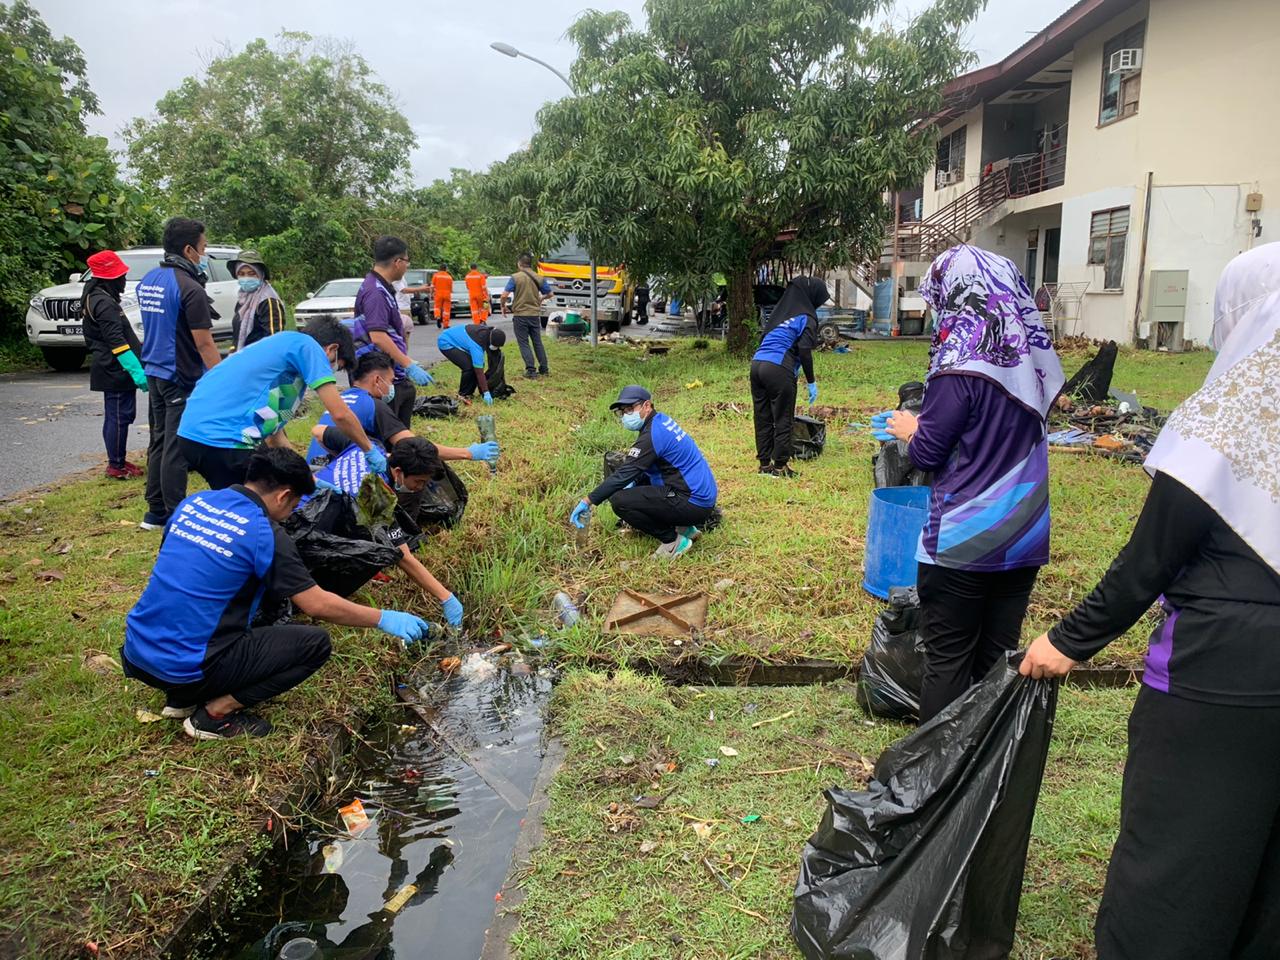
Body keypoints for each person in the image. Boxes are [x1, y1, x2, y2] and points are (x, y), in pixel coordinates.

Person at [1020, 243, 1280, 960]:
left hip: (1219, 674)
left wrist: (1066, 641)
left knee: (1177, 860)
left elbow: (1151, 557)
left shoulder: (1234, 420)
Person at [121, 447, 434, 741]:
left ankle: (181, 696)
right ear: (284, 495)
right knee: (314, 644)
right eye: (295, 503)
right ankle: (214, 715)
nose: (293, 512)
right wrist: (384, 618)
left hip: (137, 652)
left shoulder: (195, 503)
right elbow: (316, 605)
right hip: (187, 664)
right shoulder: (265, 532)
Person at [879, 244, 1063, 722]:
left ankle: (937, 778)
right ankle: (980, 772)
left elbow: (928, 453)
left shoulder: (958, 365)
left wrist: (910, 429)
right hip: (1024, 532)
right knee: (996, 656)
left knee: (948, 658)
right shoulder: (1034, 362)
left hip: (964, 537)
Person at [177, 319, 382, 490]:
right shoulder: (307, 346)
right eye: (336, 365)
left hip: (192, 436)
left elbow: (275, 438)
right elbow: (340, 414)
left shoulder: (281, 350)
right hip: (225, 441)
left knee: (238, 505)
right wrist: (369, 450)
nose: (329, 369)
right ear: (332, 349)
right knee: (265, 508)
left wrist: (306, 476)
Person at [311, 439, 465, 629]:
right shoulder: (375, 495)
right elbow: (402, 556)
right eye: (419, 482)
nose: (420, 488)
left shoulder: (369, 447)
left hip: (299, 505)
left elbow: (319, 432)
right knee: (378, 549)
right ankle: (324, 591)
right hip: (307, 532)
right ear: (399, 472)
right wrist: (445, 597)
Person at [136, 217, 223, 530]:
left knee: (158, 442)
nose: (204, 254)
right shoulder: (190, 288)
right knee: (176, 447)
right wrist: (224, 380)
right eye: (202, 248)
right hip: (178, 377)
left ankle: (155, 511)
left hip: (154, 372)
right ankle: (174, 516)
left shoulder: (149, 280)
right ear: (189, 250)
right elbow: (204, 343)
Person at [569, 385, 718, 558]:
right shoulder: (660, 422)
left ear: (647, 406)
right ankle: (685, 527)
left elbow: (623, 474)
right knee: (637, 485)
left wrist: (588, 500)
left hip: (693, 502)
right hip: (697, 496)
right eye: (622, 412)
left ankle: (673, 541)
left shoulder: (653, 435)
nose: (626, 416)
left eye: (630, 409)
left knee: (620, 500)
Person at [305, 350, 500, 468]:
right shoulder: (375, 405)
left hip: (315, 473)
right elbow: (413, 446)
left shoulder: (340, 400)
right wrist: (469, 453)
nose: (391, 387)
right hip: (341, 476)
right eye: (390, 381)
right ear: (377, 380)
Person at [352, 236, 434, 431]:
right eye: (406, 261)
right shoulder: (375, 292)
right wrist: (408, 365)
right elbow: (378, 336)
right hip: (378, 377)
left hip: (391, 371)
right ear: (397, 262)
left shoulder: (382, 287)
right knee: (390, 436)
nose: (407, 266)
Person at [81, 250, 148, 480]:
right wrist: (137, 371)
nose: (123, 281)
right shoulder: (104, 303)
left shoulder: (97, 295)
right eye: (120, 276)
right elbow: (117, 342)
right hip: (114, 369)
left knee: (120, 416)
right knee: (118, 418)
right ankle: (115, 465)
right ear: (109, 278)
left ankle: (118, 460)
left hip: (112, 368)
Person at [750, 277, 827, 477]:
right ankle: (780, 467)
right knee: (783, 418)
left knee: (763, 416)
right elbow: (804, 350)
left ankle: (764, 465)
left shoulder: (780, 315)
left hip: (757, 364)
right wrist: (811, 381)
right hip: (778, 368)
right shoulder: (806, 317)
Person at [501, 253, 552, 378]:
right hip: (534, 315)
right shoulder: (539, 277)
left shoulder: (515, 277)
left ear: (519, 264)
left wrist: (503, 306)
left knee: (524, 343)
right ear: (530, 264)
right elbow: (550, 294)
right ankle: (544, 368)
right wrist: (540, 298)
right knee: (537, 342)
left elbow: (504, 295)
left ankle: (531, 370)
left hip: (520, 315)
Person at [228, 250, 286, 351]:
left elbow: (274, 340)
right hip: (243, 358)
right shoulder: (243, 300)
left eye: (251, 274)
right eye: (241, 274)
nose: (246, 278)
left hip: (260, 360)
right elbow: (237, 335)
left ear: (260, 274)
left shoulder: (268, 301)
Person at [437, 323, 505, 405]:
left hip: (460, 337)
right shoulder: (477, 345)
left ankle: (469, 393)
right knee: (468, 367)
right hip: (446, 341)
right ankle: (462, 395)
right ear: (490, 342)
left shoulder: (490, 333)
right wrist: (486, 392)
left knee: (476, 365)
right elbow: (479, 372)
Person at [431, 264, 454, 329]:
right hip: (447, 294)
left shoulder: (436, 276)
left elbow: (432, 286)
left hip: (438, 294)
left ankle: (438, 316)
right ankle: (445, 325)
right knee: (446, 310)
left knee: (437, 307)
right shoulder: (449, 277)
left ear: (439, 268)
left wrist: (431, 293)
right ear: (446, 269)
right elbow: (451, 288)